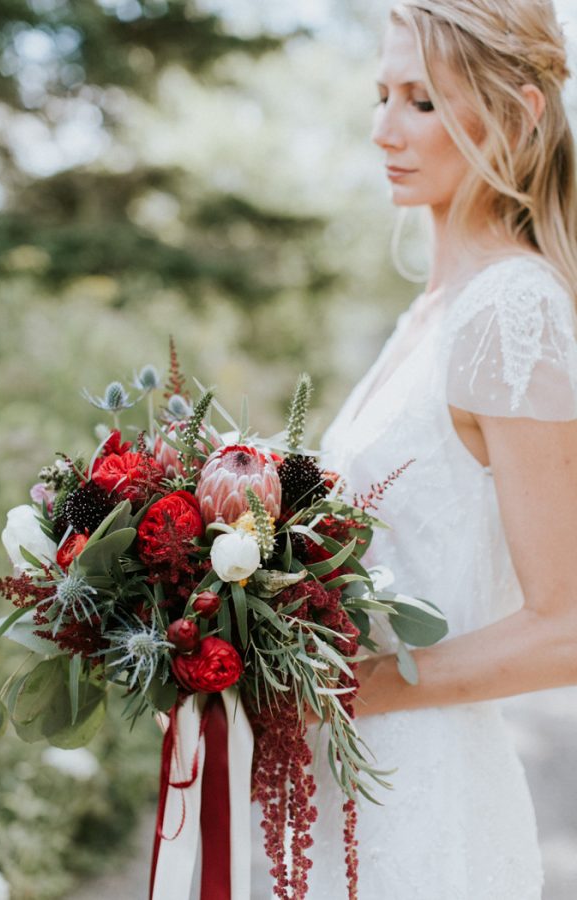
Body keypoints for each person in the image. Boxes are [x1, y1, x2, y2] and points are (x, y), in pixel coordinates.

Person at [252, 1, 577, 897]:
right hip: (335, 784)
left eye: (422, 102)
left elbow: (567, 626)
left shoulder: (514, 312)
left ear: (518, 115)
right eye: (381, 94)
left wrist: (345, 689)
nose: (383, 129)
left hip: (421, 802)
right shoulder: (429, 314)